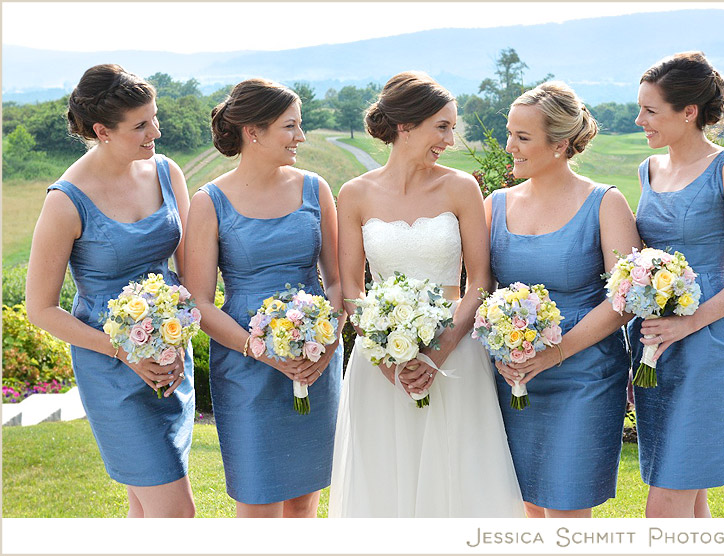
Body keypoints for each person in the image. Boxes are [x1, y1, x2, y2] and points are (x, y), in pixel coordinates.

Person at [329, 71, 524, 517]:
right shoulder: (355, 193)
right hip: (381, 365)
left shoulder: (461, 187)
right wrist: (384, 354)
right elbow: (354, 289)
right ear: (405, 126)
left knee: (459, 482)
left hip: (455, 355)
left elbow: (480, 281)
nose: (451, 139)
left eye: (452, 127)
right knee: (383, 484)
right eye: (443, 126)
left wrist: (439, 350)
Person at [25, 64, 195, 517]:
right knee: (176, 514)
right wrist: (125, 353)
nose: (154, 132)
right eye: (140, 125)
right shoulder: (65, 201)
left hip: (171, 357)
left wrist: (179, 335)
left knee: (145, 507)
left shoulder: (166, 172)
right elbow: (40, 308)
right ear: (102, 130)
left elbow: (191, 270)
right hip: (112, 367)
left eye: (154, 118)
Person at [183, 78, 343, 518]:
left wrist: (326, 346)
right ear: (253, 132)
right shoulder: (209, 202)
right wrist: (263, 351)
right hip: (245, 364)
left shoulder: (316, 188)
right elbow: (200, 302)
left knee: (304, 502)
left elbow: (337, 282)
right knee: (258, 501)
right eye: (290, 127)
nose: (301, 137)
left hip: (316, 356)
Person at [630, 51, 724, 518]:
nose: (640, 120)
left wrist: (687, 323)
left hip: (709, 343)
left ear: (689, 112)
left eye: (651, 110)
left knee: (667, 500)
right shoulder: (647, 171)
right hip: (655, 343)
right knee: (687, 495)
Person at [485, 81, 642, 518]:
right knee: (528, 507)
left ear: (560, 144)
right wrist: (500, 350)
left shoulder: (605, 202)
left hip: (585, 375)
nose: (509, 146)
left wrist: (557, 353)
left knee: (568, 509)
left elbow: (624, 300)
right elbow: (482, 292)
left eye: (522, 137)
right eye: (510, 133)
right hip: (514, 375)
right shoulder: (494, 205)